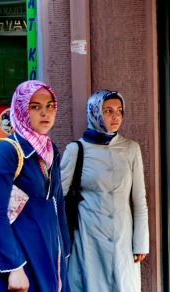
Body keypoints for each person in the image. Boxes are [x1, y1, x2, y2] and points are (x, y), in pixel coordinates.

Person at [0, 80, 70, 292]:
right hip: (20, 256)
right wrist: (14, 267)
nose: (45, 113)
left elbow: (57, 202)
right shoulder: (7, 151)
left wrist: (65, 252)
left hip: (50, 254)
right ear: (21, 109)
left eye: (49, 106)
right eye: (35, 106)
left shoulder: (51, 151)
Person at [61, 90, 149, 291]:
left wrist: (141, 242)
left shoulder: (131, 148)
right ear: (94, 113)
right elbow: (60, 197)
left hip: (123, 237)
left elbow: (139, 199)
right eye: (108, 111)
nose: (115, 116)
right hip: (88, 236)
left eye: (119, 110)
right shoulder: (76, 150)